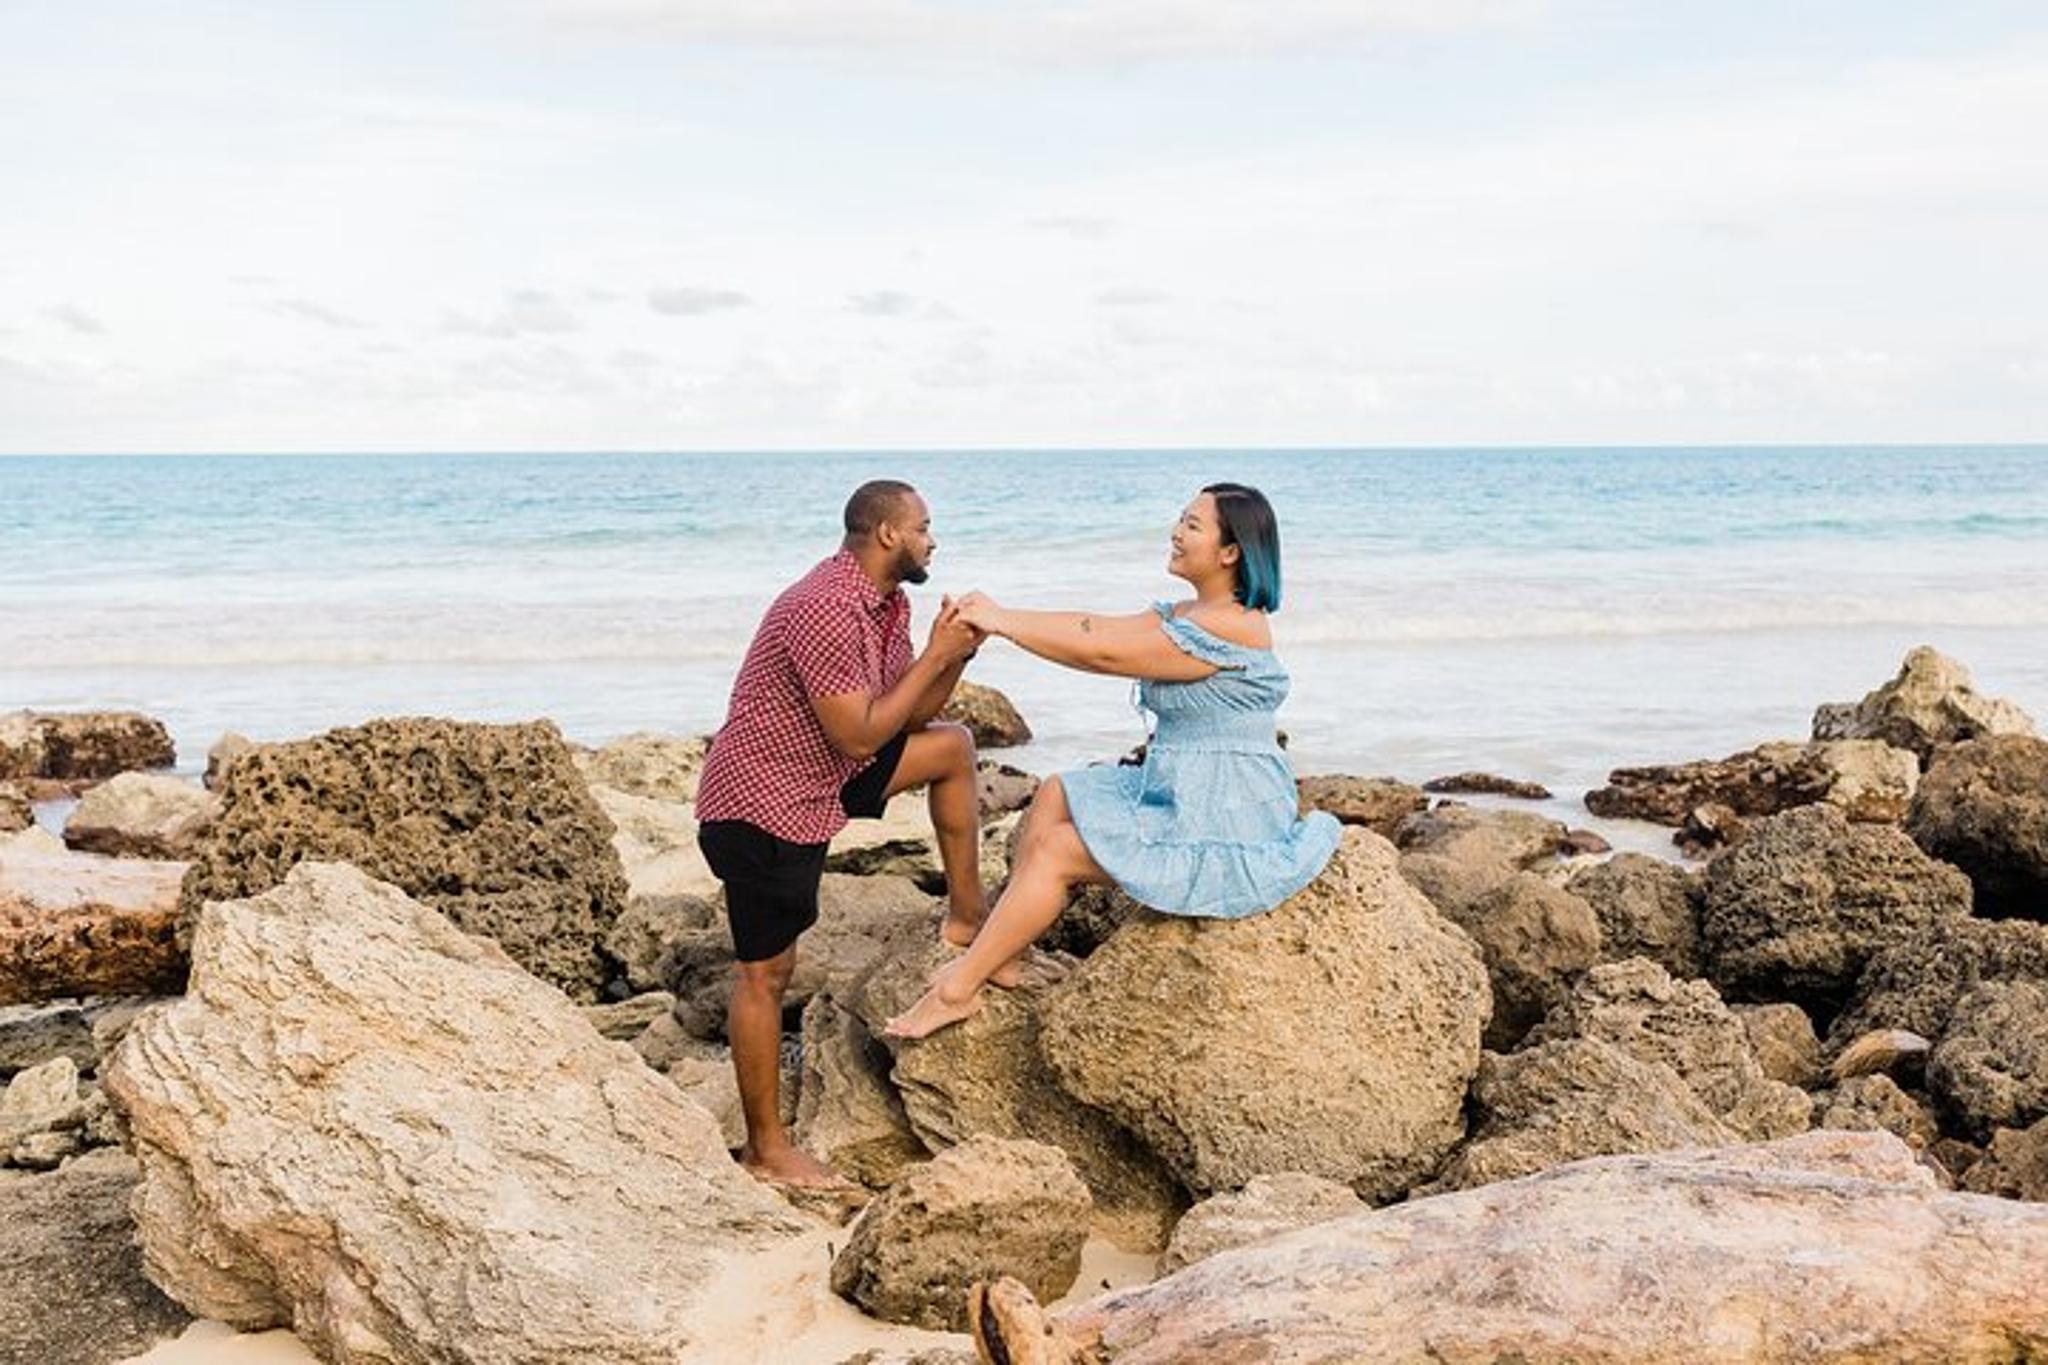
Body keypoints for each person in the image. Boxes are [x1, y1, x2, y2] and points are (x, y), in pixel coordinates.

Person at [884, 482, 1341, 1040]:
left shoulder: (1233, 624)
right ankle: (999, 955)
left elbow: (1102, 653)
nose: (1176, 531)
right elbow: (1094, 628)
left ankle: (957, 992)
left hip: (1227, 811)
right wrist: (1001, 617)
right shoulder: (1190, 610)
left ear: (1231, 551)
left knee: (1057, 852)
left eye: (1193, 525)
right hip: (1181, 787)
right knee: (1057, 790)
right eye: (1181, 518)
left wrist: (1003, 621)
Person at [695, 479, 987, 1186]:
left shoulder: (888, 601)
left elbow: (904, 715)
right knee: (766, 973)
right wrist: (933, 655)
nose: (932, 539)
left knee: (951, 747)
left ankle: (970, 914)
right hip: (762, 801)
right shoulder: (825, 607)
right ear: (888, 534)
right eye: (924, 526)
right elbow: (858, 735)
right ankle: (766, 1146)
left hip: (820, 772)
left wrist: (953, 658)